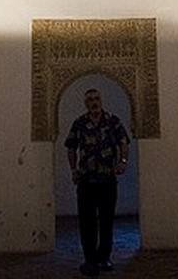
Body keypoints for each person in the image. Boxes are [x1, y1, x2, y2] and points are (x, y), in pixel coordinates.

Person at [64, 88, 130, 276]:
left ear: (101, 100)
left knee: (106, 221)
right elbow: (70, 147)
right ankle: (90, 260)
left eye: (96, 98)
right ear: (86, 103)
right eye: (90, 99)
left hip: (107, 180)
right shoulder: (79, 124)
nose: (94, 102)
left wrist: (122, 162)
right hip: (86, 181)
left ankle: (104, 258)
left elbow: (124, 142)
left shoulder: (112, 121)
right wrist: (74, 169)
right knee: (87, 222)